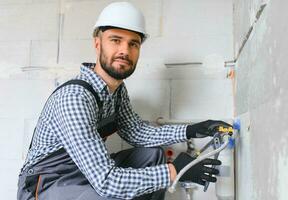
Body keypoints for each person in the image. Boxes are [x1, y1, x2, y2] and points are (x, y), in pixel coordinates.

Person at [17, 2, 232, 200]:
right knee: (107, 193)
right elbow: (106, 182)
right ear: (97, 43)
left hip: (83, 173)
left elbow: (136, 131)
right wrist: (174, 171)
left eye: (133, 44)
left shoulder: (116, 91)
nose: (124, 51)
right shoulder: (75, 98)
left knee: (153, 156)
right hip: (46, 185)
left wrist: (191, 130)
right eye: (115, 40)